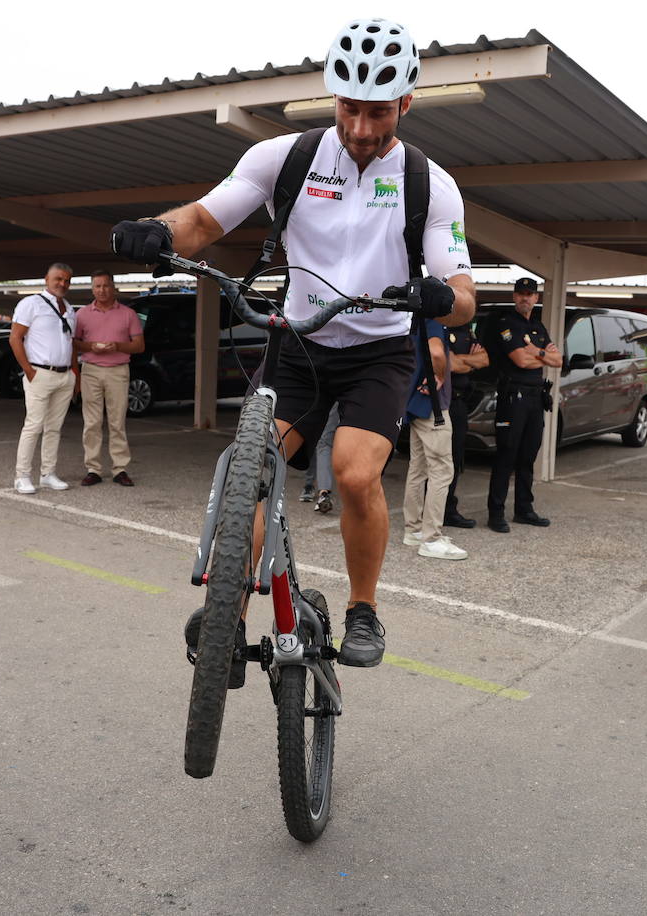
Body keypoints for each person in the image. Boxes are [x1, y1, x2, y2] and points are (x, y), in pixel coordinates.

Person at [111, 17, 477, 670]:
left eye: (378, 112)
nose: (361, 127)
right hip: (299, 343)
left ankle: (363, 608)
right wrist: (157, 231)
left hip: (378, 352)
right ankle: (227, 616)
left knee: (355, 472)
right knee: (249, 471)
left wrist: (442, 297)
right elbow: (202, 219)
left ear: (406, 103)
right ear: (333, 96)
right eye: (350, 108)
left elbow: (463, 289)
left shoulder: (429, 183)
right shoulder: (286, 159)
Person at [486, 277, 562, 533]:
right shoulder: (506, 324)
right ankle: (496, 513)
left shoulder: (538, 327)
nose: (525, 298)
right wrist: (544, 355)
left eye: (529, 294)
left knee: (528, 455)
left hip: (535, 398)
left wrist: (536, 352)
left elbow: (558, 360)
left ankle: (524, 510)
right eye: (520, 294)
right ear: (514, 296)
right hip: (513, 397)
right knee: (507, 454)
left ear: (536, 298)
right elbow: (520, 360)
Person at [11, 263, 78, 494]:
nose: (62, 283)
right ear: (46, 279)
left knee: (54, 428)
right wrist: (29, 371)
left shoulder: (70, 309)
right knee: (34, 426)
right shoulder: (31, 304)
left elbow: (71, 343)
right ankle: (22, 476)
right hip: (40, 374)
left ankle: (48, 474)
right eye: (58, 278)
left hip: (64, 376)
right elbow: (15, 338)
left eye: (67, 280)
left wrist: (75, 375)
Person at [402, 318, 466, 559]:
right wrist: (437, 375)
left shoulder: (415, 320)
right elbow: (436, 352)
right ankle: (431, 539)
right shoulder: (434, 321)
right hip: (433, 407)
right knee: (442, 470)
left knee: (418, 468)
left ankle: (414, 530)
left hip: (416, 404)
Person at [73, 269, 144, 487]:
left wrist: (118, 346)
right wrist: (90, 346)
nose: (102, 290)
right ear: (92, 288)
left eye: (105, 285)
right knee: (91, 422)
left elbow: (139, 346)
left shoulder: (128, 314)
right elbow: (74, 343)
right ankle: (93, 469)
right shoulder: (82, 314)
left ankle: (120, 469)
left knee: (117, 421)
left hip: (118, 370)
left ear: (113, 287)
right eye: (97, 286)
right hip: (91, 370)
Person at [443, 320, 487, 528]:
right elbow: (450, 364)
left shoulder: (466, 331)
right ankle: (435, 509)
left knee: (455, 458)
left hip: (461, 403)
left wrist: (461, 360)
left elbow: (484, 359)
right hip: (444, 403)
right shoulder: (441, 328)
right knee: (438, 459)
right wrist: (470, 361)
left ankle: (449, 509)